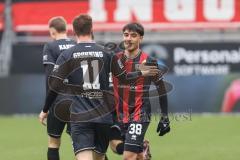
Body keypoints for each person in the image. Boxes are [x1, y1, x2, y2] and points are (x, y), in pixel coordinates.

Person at [111, 22, 171, 160]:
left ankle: (138, 149)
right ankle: (142, 150)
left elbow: (161, 88)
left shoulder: (149, 61)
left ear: (141, 38)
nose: (128, 39)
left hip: (140, 112)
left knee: (127, 156)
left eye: (133, 35)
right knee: (115, 146)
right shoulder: (114, 59)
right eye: (126, 35)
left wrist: (165, 117)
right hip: (119, 113)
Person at [38, 16, 76, 160]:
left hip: (58, 100)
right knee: (81, 143)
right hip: (78, 101)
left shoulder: (50, 46)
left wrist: (45, 108)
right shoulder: (76, 44)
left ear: (53, 31)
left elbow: (50, 78)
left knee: (53, 142)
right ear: (66, 29)